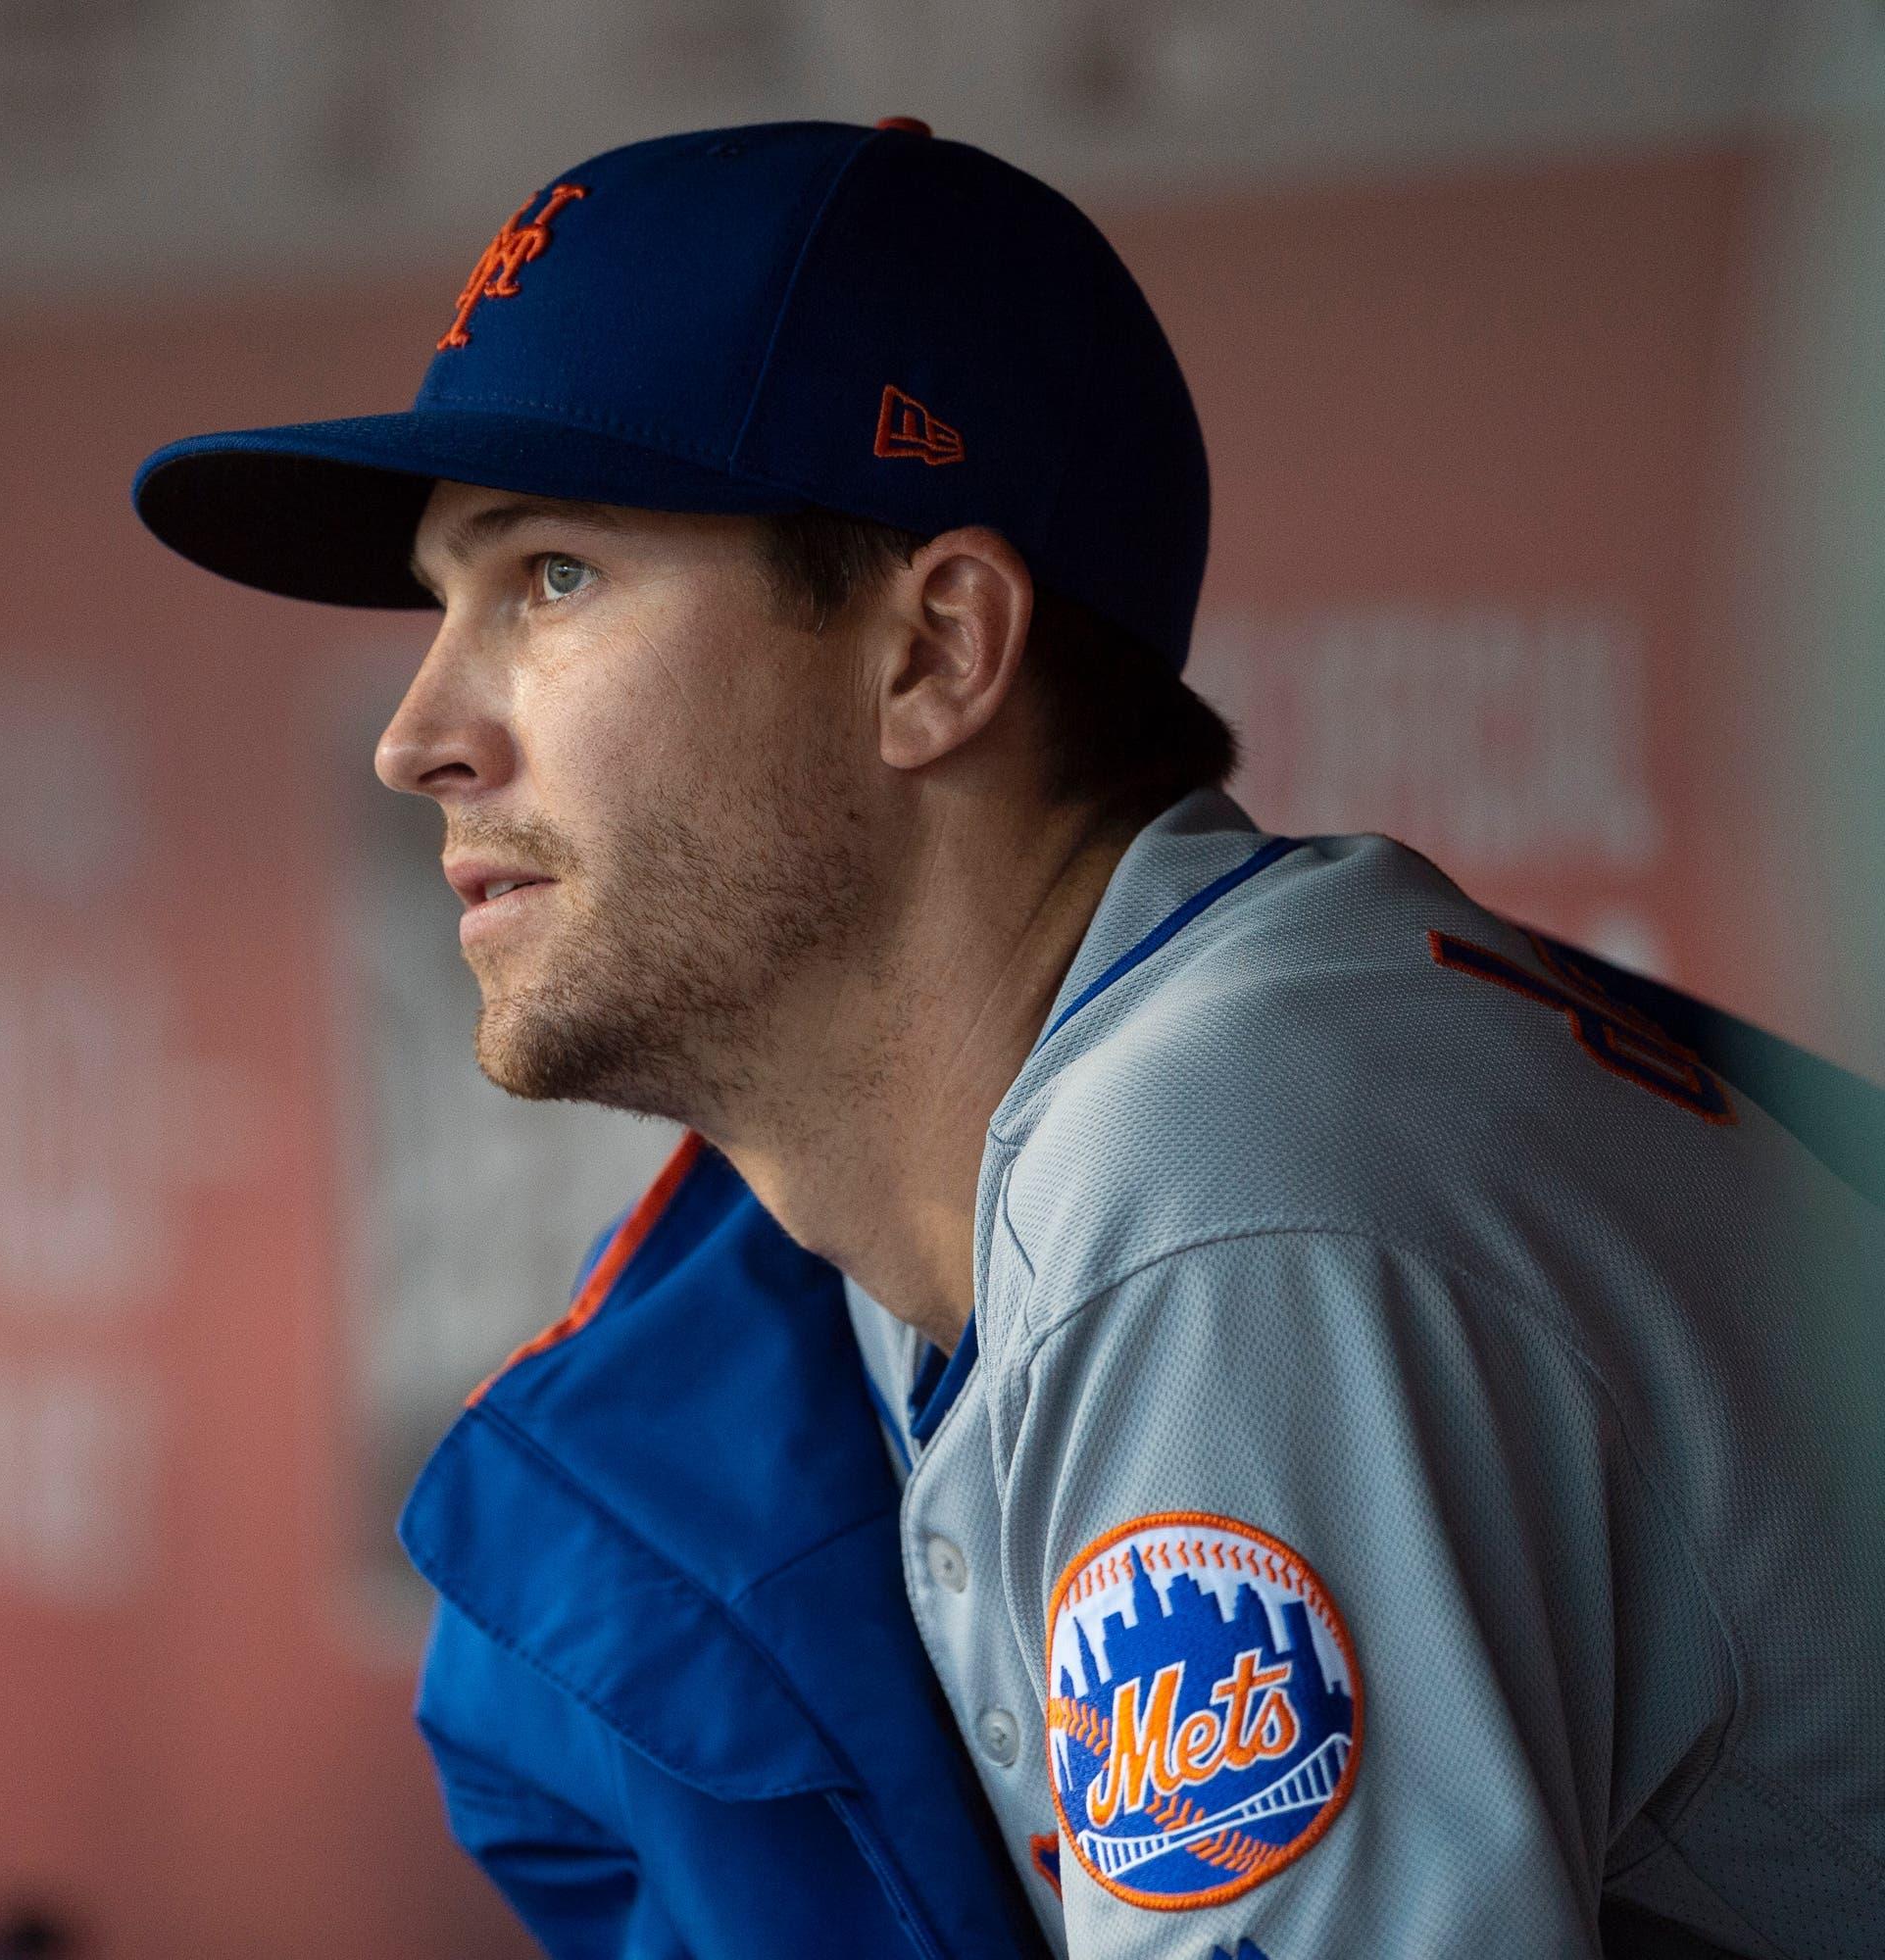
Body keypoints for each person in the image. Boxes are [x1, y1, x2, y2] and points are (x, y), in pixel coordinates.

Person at [130, 119, 1885, 1959]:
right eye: (442, 606)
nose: (417, 736)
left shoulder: (1224, 1180)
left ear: (937, 652)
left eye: (551, 576)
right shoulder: (914, 1256)